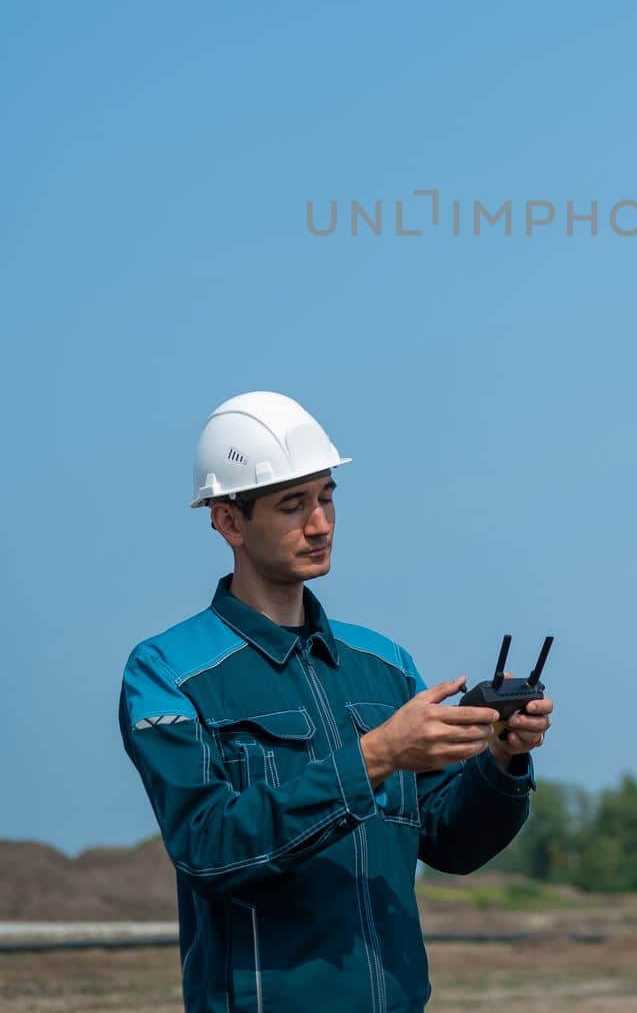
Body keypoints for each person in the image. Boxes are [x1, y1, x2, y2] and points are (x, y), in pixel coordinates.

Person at [120, 391, 553, 1013]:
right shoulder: (167, 671)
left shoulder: (384, 666)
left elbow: (451, 844)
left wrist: (503, 763)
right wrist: (374, 756)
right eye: (292, 505)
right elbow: (207, 849)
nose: (320, 523)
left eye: (326, 497)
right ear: (228, 522)